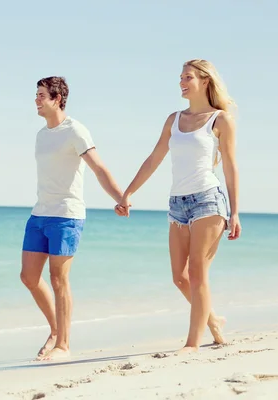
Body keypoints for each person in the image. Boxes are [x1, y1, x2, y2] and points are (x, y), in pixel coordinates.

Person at [115, 59, 242, 354]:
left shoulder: (220, 120)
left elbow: (231, 168)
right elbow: (154, 159)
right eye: (180, 78)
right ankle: (213, 321)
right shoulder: (173, 120)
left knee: (197, 272)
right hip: (177, 204)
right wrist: (128, 192)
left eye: (188, 77)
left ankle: (192, 344)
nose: (182, 82)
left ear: (205, 81)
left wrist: (234, 211)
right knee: (179, 277)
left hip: (208, 201)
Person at [21, 76, 125, 361]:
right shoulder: (42, 134)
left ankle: (63, 345)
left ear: (57, 98)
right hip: (40, 213)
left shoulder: (75, 130)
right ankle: (56, 330)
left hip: (66, 215)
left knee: (58, 279)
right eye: (36, 95)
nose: (36, 100)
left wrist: (120, 197)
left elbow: (98, 168)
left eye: (41, 95)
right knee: (29, 276)